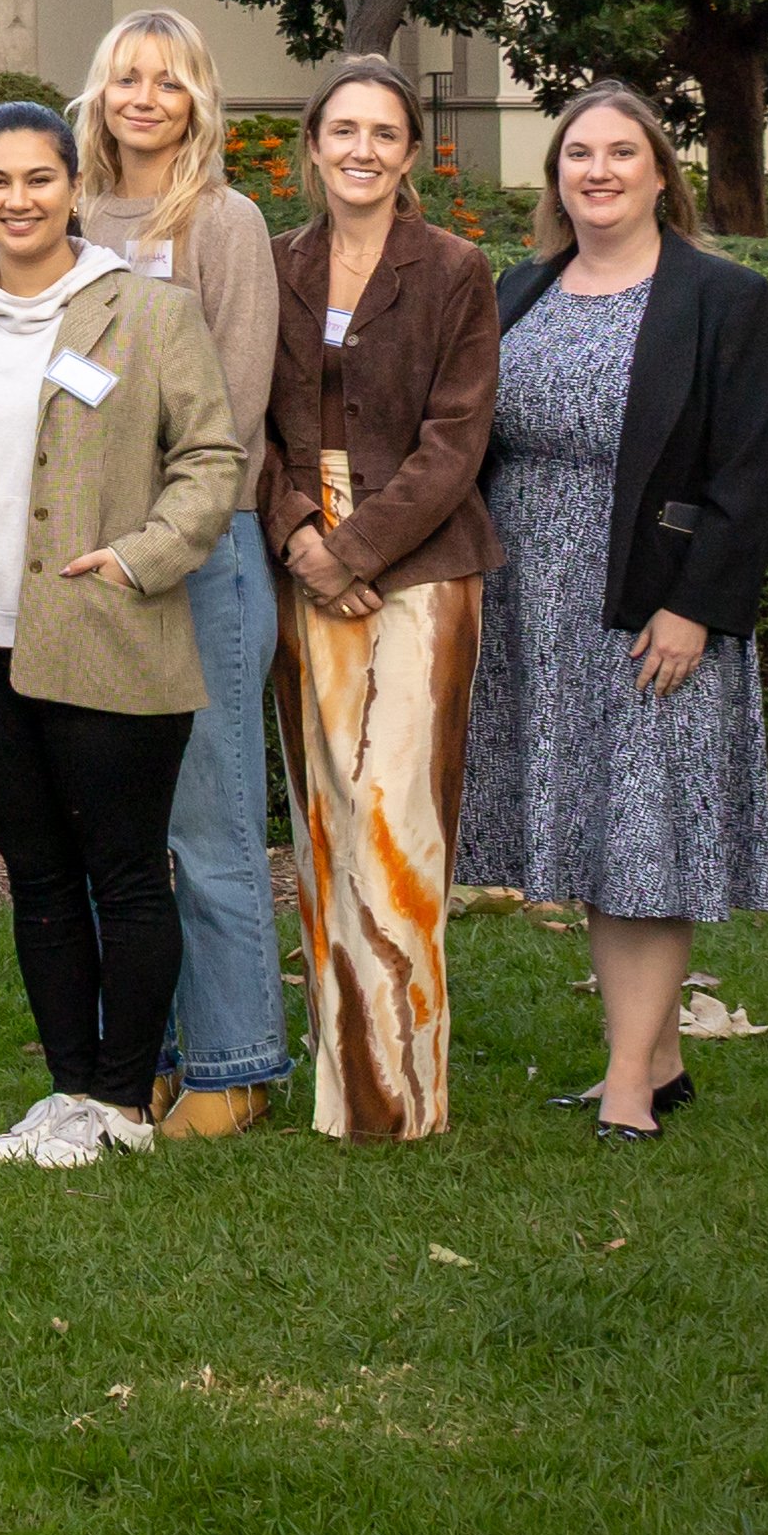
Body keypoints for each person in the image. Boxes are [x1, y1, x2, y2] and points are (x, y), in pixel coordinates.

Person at [0, 100, 249, 1167]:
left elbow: (212, 460)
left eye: (38, 179)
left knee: (124, 871)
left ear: (74, 187)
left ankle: (123, 1099)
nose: (16, 200)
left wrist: (141, 556)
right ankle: (69, 1088)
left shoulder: (147, 311)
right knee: (36, 874)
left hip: (111, 630)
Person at [468, 82, 768, 1145]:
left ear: (661, 172)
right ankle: (658, 1056)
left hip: (651, 610)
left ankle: (624, 1084)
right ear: (556, 175)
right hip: (537, 604)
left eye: (620, 152)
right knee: (606, 836)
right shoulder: (523, 287)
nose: (597, 171)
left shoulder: (721, 297)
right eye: (578, 154)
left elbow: (752, 470)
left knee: (648, 836)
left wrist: (695, 607)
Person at [265, 56, 502, 1140]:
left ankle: (403, 1092)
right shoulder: (273, 265)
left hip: (420, 564)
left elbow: (457, 442)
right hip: (300, 555)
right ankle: (343, 1078)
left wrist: (354, 549)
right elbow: (242, 425)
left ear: (411, 152)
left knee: (395, 815)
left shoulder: (456, 270)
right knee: (324, 818)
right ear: (312, 143)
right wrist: (300, 536)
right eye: (342, 129)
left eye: (385, 132)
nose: (362, 149)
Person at [77, 6, 294, 1139]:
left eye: (167, 79)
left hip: (203, 562)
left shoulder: (224, 220)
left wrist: (163, 536)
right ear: (100, 93)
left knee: (209, 830)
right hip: (87, 570)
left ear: (199, 97)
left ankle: (237, 1061)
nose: (144, 96)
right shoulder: (65, 213)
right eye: (126, 77)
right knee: (127, 838)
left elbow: (241, 405)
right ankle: (152, 1053)